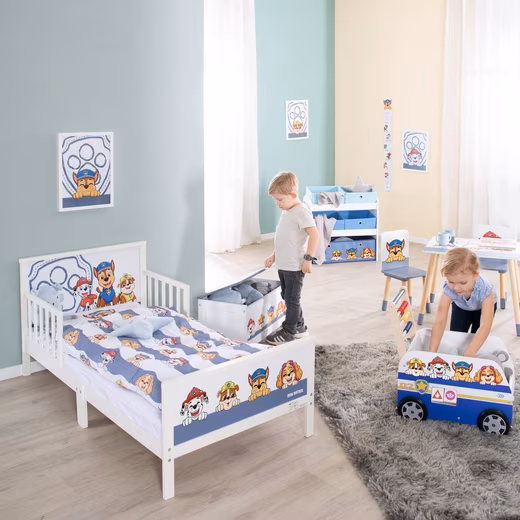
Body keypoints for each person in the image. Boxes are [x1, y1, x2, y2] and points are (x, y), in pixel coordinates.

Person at [263, 171, 318, 345]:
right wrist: (274, 255)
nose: (277, 203)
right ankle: (299, 327)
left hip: (295, 266)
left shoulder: (301, 211)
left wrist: (308, 259)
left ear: (293, 195)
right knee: (287, 296)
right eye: (275, 200)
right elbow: (284, 238)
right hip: (283, 264)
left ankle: (289, 331)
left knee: (292, 299)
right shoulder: (287, 210)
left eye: (280, 199)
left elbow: (314, 235)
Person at [429, 247, 497, 357]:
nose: (456, 288)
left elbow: (485, 325)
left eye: (463, 283)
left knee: (476, 338)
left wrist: (471, 351)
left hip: (481, 308)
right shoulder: (448, 289)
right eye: (451, 282)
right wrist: (431, 353)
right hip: (461, 306)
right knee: (456, 336)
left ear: (475, 276)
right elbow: (439, 321)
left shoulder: (485, 289)